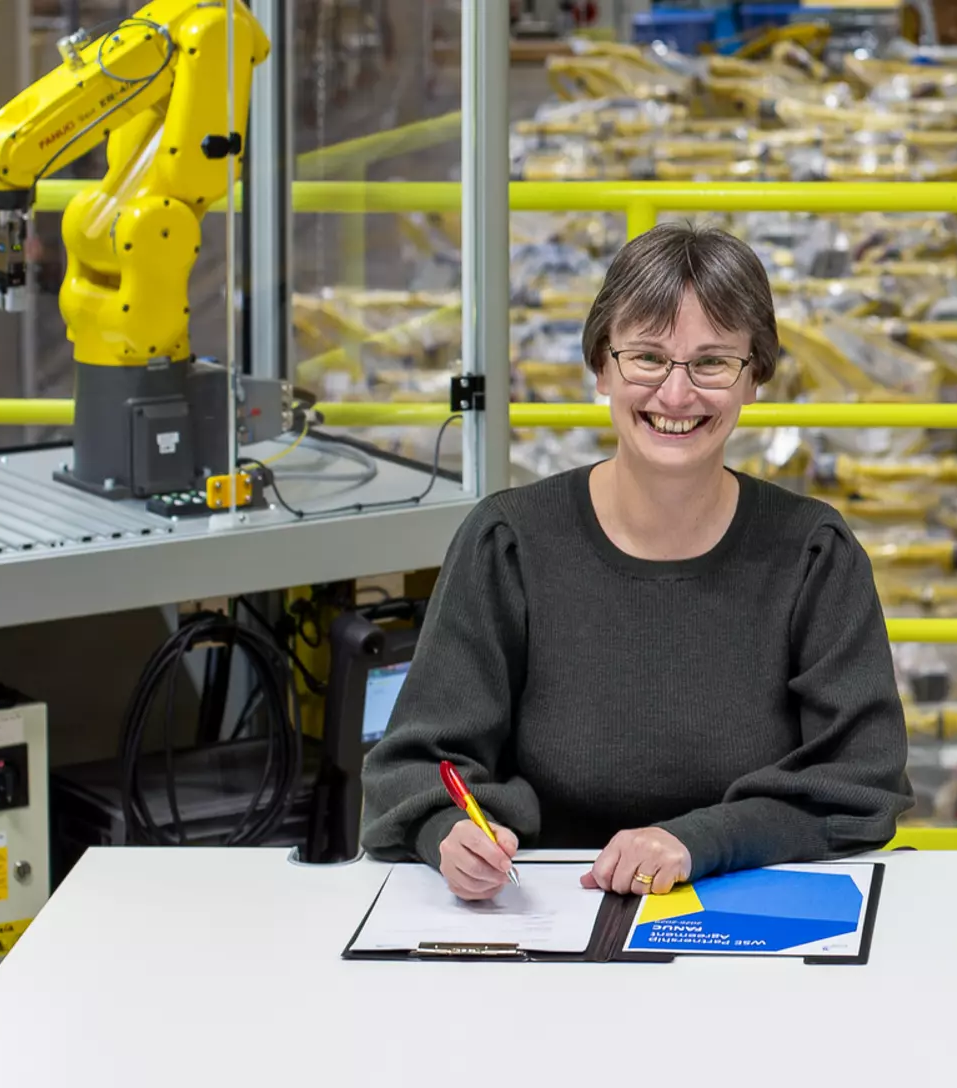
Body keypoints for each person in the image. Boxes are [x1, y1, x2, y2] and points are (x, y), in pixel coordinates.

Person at [359, 221, 913, 901]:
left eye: (712, 363)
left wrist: (698, 841)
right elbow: (414, 764)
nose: (676, 396)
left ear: (755, 378)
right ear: (600, 367)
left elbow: (861, 781)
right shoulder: (509, 543)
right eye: (646, 358)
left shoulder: (814, 556)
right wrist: (448, 832)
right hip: (544, 914)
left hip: (746, 909)